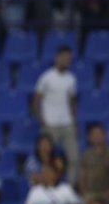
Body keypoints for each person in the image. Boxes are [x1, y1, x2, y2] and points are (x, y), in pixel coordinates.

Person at [33, 46, 79, 184]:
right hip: (50, 124)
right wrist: (41, 118)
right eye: (66, 57)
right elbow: (36, 99)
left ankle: (70, 187)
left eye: (70, 58)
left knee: (74, 158)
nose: (68, 60)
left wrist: (74, 122)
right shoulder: (47, 77)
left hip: (67, 123)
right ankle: (47, 184)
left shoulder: (71, 79)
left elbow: (71, 102)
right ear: (57, 58)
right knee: (47, 158)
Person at [79, 123, 109, 204]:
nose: (97, 137)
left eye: (99, 134)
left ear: (105, 135)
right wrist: (84, 193)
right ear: (89, 137)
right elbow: (83, 176)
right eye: (94, 134)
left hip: (107, 193)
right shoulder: (86, 155)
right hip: (91, 194)